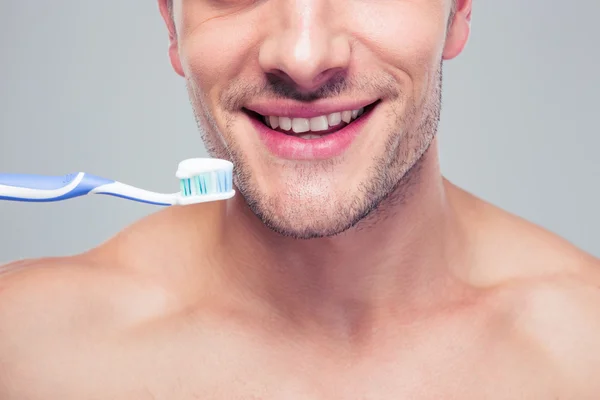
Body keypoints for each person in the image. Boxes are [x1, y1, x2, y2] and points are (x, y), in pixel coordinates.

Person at [1, 0, 599, 398]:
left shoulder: (585, 352)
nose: (304, 57)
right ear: (170, 22)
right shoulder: (25, 350)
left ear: (459, 9)